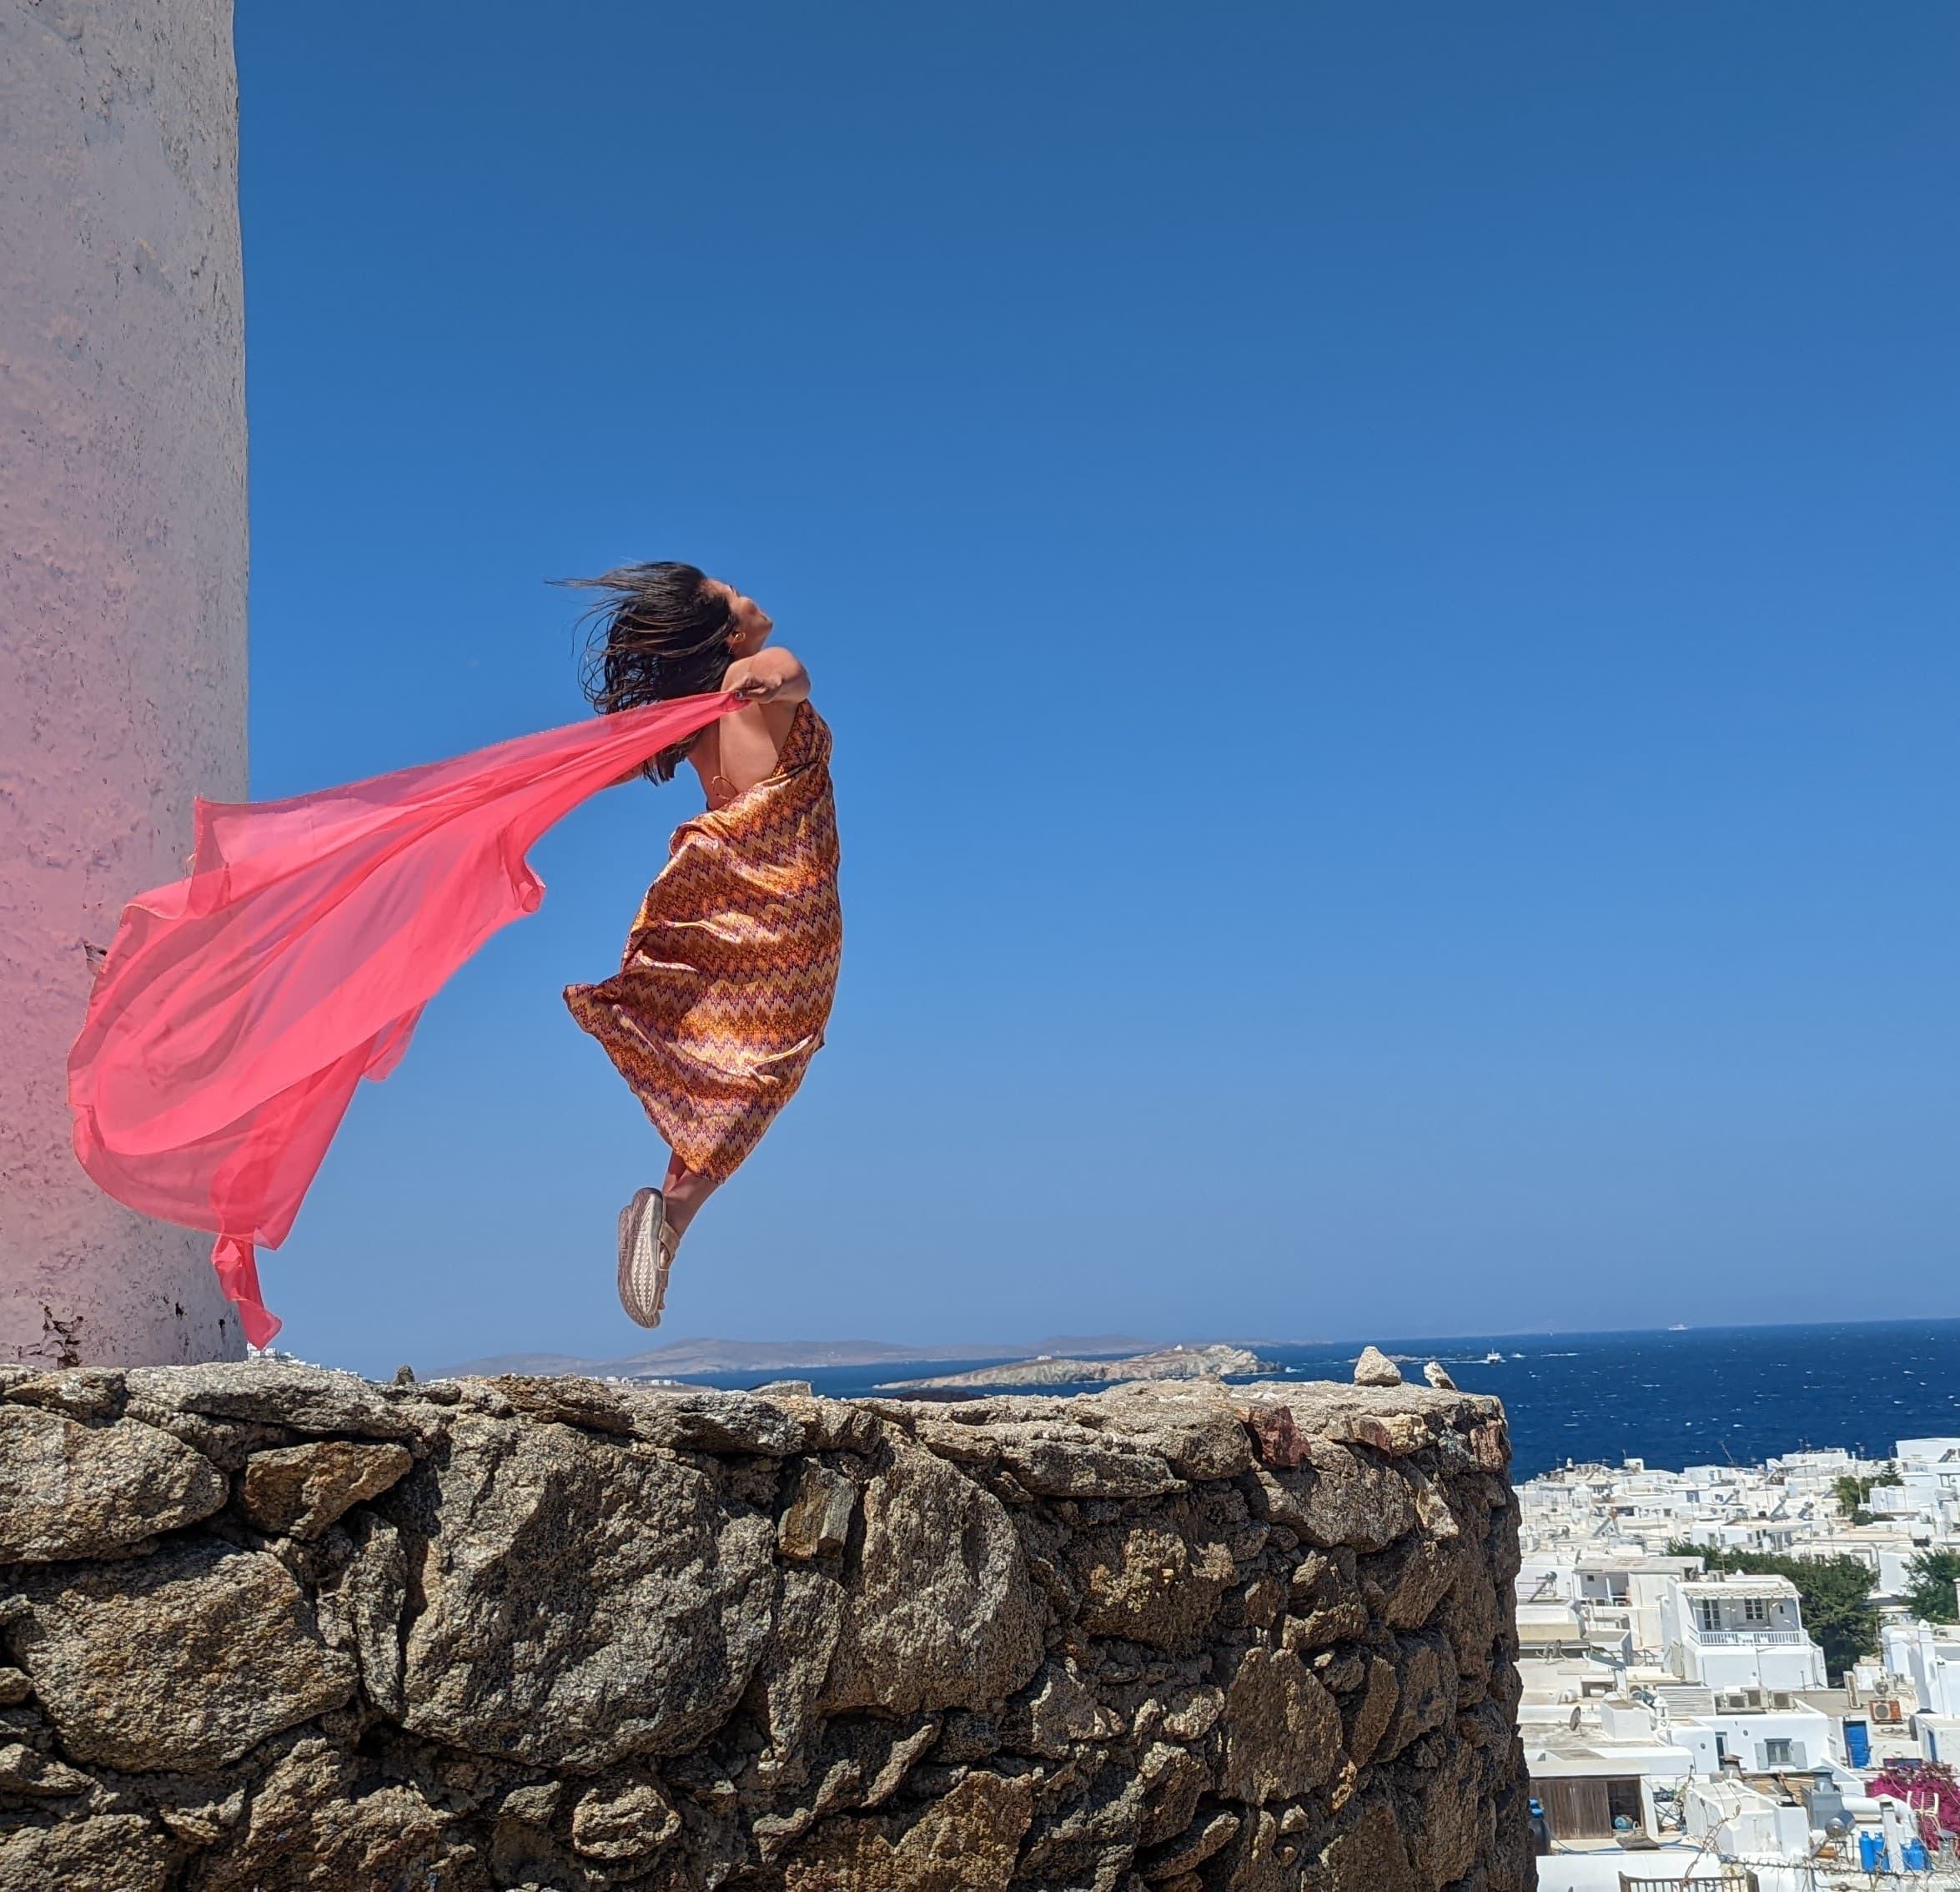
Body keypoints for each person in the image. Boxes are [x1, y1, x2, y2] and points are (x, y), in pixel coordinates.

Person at [562, 562, 840, 1327]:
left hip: (724, 904)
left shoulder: (693, 721)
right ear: (730, 632)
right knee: (765, 1069)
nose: (749, 590)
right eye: (732, 592)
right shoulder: (754, 670)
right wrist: (766, 685)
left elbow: (611, 769)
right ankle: (671, 1218)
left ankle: (666, 1220)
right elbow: (792, 673)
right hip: (787, 919)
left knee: (737, 1071)